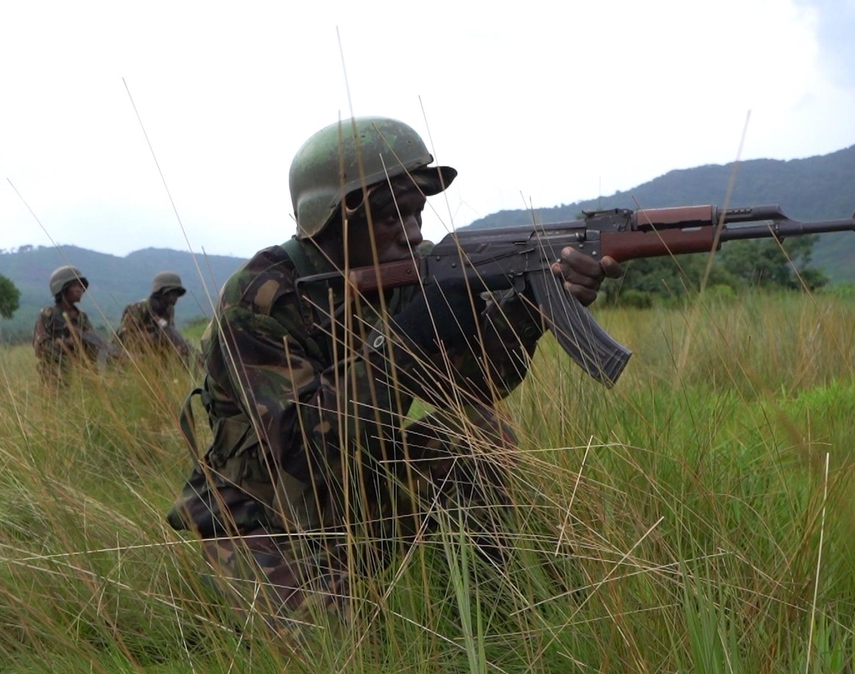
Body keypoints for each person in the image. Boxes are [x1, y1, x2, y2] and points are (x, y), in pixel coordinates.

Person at [166, 117, 620, 636]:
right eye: (391, 216)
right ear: (333, 218)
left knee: (478, 433)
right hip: (265, 517)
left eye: (416, 211)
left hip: (360, 488)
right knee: (339, 649)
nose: (413, 231)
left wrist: (532, 312)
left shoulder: (408, 274)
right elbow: (298, 447)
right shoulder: (261, 299)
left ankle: (496, 622)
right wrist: (404, 341)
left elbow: (469, 387)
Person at [33, 265, 95, 386]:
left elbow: (93, 349)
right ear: (62, 288)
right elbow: (40, 349)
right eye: (75, 286)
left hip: (81, 378)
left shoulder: (82, 317)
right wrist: (69, 343)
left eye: (81, 286)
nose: (80, 290)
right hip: (54, 378)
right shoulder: (48, 315)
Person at [115, 271, 197, 363]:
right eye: (173, 292)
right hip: (130, 355)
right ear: (162, 292)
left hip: (155, 355)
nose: (176, 296)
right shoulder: (139, 308)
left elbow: (170, 333)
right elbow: (124, 336)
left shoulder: (169, 310)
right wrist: (153, 338)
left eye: (178, 293)